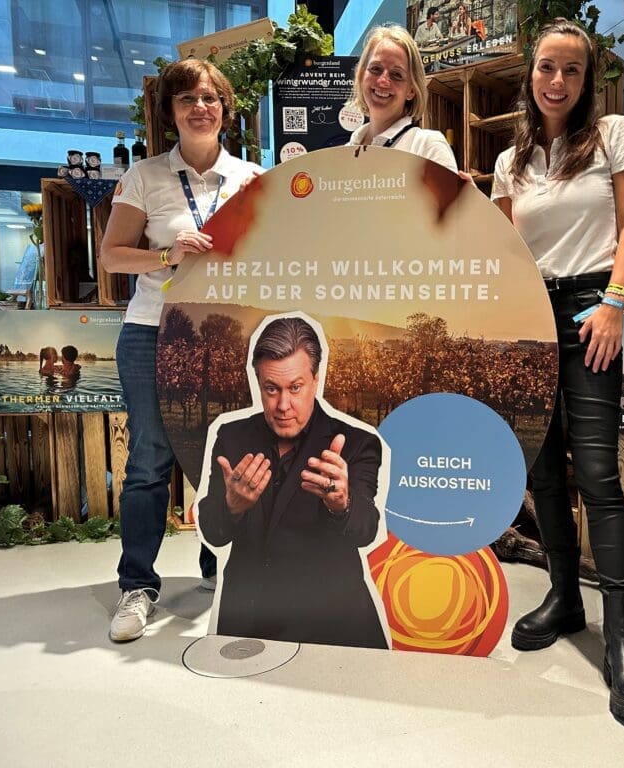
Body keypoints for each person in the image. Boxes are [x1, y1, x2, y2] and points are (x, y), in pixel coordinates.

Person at [491, 19, 624, 724]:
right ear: (530, 74)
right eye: (546, 69)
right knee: (542, 471)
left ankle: (622, 639)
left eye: (571, 71)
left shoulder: (612, 133)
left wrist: (616, 303)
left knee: (596, 472)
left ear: (589, 80)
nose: (557, 82)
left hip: (593, 307)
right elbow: (501, 250)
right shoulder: (510, 161)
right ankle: (564, 598)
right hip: (530, 313)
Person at [99, 58, 263, 644]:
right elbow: (112, 256)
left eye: (210, 97)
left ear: (226, 108)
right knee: (148, 461)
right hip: (151, 331)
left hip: (224, 334)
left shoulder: (250, 178)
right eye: (187, 98)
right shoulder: (144, 177)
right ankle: (137, 586)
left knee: (222, 451)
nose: (200, 107)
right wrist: (168, 256)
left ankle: (221, 569)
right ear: (171, 111)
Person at [197, 316, 388, 649]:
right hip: (249, 624)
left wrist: (342, 504)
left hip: (332, 630)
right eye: (271, 389)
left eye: (295, 388)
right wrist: (232, 506)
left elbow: (366, 529)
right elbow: (213, 531)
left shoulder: (357, 443)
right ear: (258, 382)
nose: (283, 406)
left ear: (316, 380)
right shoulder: (232, 437)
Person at [346, 25, 458, 174]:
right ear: (361, 75)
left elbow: (450, 198)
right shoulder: (345, 152)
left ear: (411, 90)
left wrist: (468, 197)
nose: (383, 81)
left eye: (396, 75)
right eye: (375, 69)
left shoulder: (427, 146)